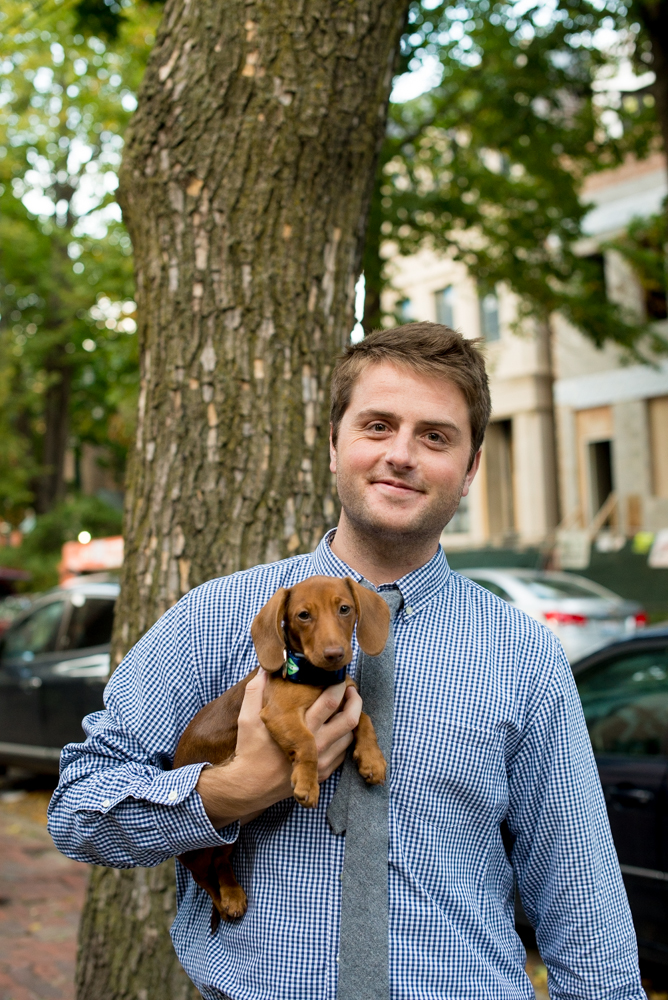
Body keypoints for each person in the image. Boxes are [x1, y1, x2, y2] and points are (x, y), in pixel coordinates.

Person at [48, 323, 645, 1000]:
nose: (401, 455)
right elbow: (77, 809)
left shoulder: (524, 655)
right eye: (378, 426)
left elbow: (581, 896)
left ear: (471, 467)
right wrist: (229, 792)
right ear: (334, 447)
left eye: (436, 436)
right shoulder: (213, 620)